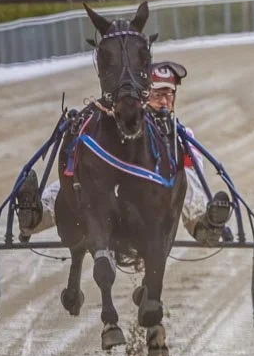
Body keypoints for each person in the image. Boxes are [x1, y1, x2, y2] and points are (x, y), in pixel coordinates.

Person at [13, 60, 233, 245]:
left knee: (186, 175)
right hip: (114, 201)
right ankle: (35, 216)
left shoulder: (180, 133)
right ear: (143, 97)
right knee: (76, 178)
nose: (164, 102)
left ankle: (203, 226)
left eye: (169, 94)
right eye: (157, 95)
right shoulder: (118, 125)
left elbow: (196, 170)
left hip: (159, 204)